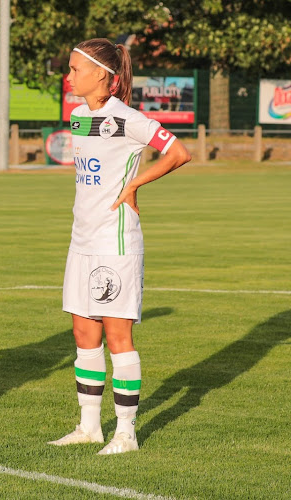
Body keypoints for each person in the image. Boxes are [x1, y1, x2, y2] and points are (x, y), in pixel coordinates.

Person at [47, 38, 191, 455]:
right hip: (81, 241)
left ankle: (125, 433)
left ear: (103, 78)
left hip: (116, 242)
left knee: (116, 336)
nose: (68, 76)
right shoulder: (76, 117)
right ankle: (89, 427)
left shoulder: (127, 117)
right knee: (82, 333)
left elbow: (178, 152)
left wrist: (135, 184)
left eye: (75, 69)